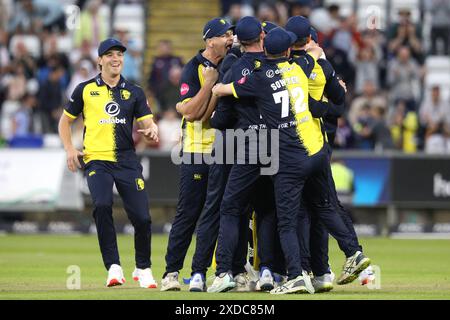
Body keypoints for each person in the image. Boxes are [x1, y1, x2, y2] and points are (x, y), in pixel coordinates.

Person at [213, 27, 370, 294]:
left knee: (287, 220)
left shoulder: (259, 79)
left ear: (266, 50)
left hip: (289, 158)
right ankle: (353, 252)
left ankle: (297, 275)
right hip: (317, 152)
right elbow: (314, 53)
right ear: (288, 51)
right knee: (324, 207)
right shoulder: (300, 67)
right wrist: (318, 56)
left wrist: (217, 86)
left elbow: (225, 89)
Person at [58, 38, 159, 288]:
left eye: (120, 55)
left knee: (143, 218)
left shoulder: (134, 91)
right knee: (102, 206)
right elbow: (64, 121)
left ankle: (143, 268)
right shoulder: (85, 89)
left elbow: (147, 122)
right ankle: (113, 267)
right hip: (96, 160)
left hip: (126, 160)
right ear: (100, 60)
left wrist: (152, 129)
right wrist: (70, 148)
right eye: (110, 55)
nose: (116, 59)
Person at [160, 18, 233, 292]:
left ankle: (202, 273)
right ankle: (170, 273)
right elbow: (192, 114)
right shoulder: (193, 69)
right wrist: (211, 86)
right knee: (188, 212)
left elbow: (199, 112)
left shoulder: (231, 63)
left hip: (225, 149)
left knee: (216, 214)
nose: (230, 39)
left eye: (231, 34)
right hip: (196, 150)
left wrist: (210, 94)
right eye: (225, 34)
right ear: (209, 40)